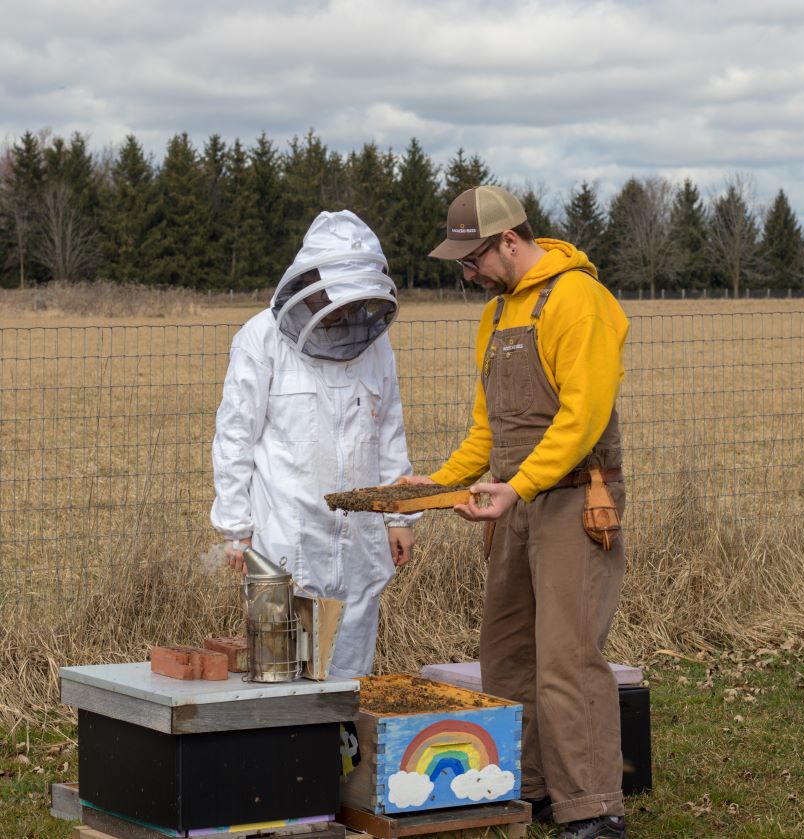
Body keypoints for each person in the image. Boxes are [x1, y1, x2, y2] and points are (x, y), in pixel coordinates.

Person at [403, 186, 629, 839]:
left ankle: (594, 808)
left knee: (567, 654)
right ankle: (529, 790)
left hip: (576, 500)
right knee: (504, 654)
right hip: (517, 499)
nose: (466, 273)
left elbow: (581, 418)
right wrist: (439, 483)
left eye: (472, 258)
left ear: (509, 240)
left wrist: (517, 487)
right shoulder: (499, 314)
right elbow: (487, 429)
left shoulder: (576, 300)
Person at [210, 210, 417, 678]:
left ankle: (342, 752)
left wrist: (400, 516)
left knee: (350, 672)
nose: (345, 308)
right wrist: (236, 531)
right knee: (281, 671)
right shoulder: (260, 339)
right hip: (287, 532)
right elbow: (234, 437)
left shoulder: (374, 344)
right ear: (311, 279)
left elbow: (388, 431)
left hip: (360, 538)